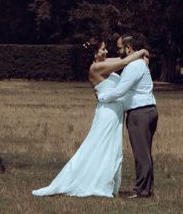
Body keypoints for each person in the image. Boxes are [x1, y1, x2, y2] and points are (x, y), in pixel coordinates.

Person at [32, 41, 149, 197]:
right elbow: (125, 61)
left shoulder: (103, 62)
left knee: (111, 148)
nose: (106, 51)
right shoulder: (96, 67)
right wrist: (141, 51)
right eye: (103, 49)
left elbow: (125, 58)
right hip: (107, 114)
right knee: (98, 146)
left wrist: (142, 58)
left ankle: (105, 181)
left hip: (114, 114)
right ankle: (91, 181)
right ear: (95, 53)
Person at [97, 35, 158, 198]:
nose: (118, 51)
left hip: (140, 113)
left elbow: (120, 91)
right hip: (149, 110)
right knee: (145, 151)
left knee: (141, 153)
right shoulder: (139, 64)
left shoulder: (133, 67)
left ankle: (142, 191)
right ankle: (146, 188)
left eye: (120, 48)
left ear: (129, 48)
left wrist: (101, 98)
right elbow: (118, 61)